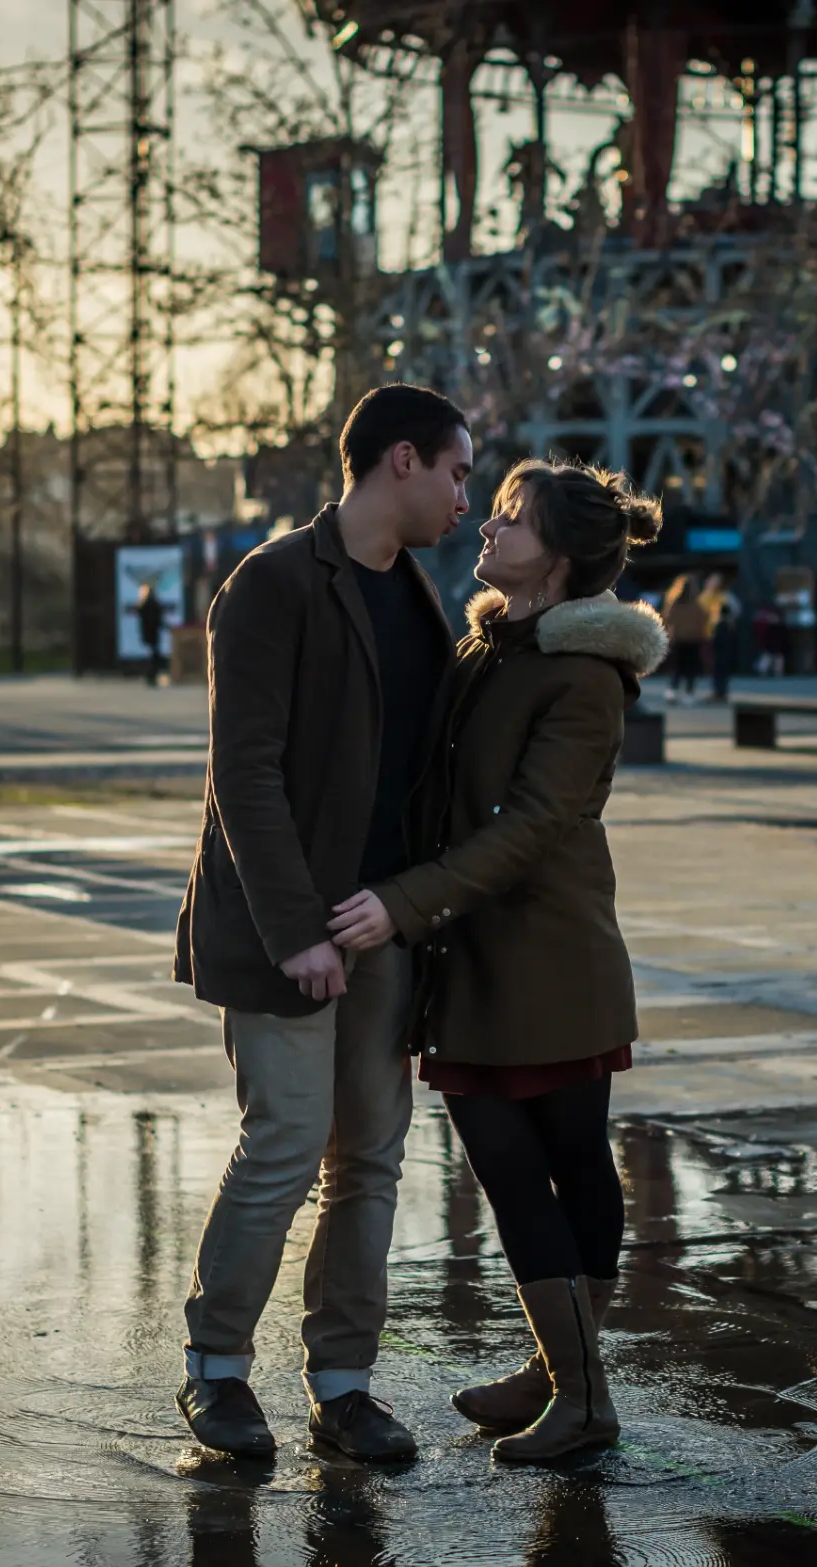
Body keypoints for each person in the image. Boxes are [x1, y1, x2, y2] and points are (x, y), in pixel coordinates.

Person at [329, 459, 667, 1464]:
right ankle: (564, 1367)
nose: (489, 526)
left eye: (512, 518)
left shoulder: (578, 672)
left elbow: (530, 825)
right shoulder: (493, 642)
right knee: (546, 1168)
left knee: (537, 1174)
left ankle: (581, 1394)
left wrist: (399, 902)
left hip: (544, 958)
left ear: (558, 558)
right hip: (481, 952)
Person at [172, 383, 470, 1464]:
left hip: (386, 925)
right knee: (287, 1142)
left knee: (371, 1159)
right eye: (456, 469)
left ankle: (342, 1386)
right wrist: (298, 925)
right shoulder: (272, 582)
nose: (463, 494)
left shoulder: (425, 594)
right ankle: (215, 1369)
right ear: (401, 459)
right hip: (282, 928)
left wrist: (407, 907)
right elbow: (242, 771)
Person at [662, 574, 709, 703]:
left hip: (679, 640)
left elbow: (667, 619)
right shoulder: (696, 604)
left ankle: (672, 692)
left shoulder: (675, 604)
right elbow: (703, 619)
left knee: (677, 668)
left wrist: (669, 636)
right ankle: (688, 694)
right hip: (693, 640)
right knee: (690, 669)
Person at [709, 588, 742, 703]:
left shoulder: (720, 625)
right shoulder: (731, 626)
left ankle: (719, 693)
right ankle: (723, 693)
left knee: (718, 675)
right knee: (724, 676)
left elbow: (717, 641)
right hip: (728, 656)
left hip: (720, 655)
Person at [136, 580, 169, 687]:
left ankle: (151, 677)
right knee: (155, 657)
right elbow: (158, 619)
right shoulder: (153, 604)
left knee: (153, 656)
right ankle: (151, 676)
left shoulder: (144, 604)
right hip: (153, 634)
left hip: (149, 634)